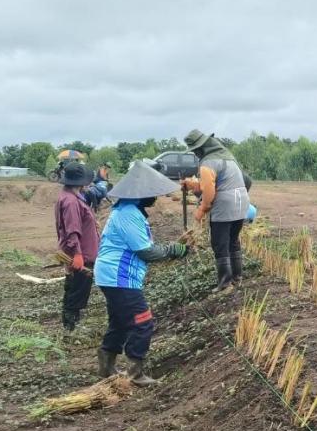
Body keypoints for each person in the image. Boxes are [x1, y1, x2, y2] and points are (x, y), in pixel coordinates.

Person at [93, 160, 191, 385]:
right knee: (143, 321)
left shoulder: (129, 210)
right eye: (152, 193)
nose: (155, 198)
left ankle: (106, 367)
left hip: (113, 275)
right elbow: (146, 251)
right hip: (119, 276)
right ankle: (135, 373)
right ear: (140, 193)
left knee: (120, 321)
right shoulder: (128, 214)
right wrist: (173, 250)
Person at [181, 129, 252, 291]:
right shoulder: (227, 156)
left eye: (195, 150)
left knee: (220, 243)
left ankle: (225, 283)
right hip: (241, 202)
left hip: (225, 205)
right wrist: (193, 185)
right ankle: (237, 277)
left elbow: (209, 192)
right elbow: (217, 182)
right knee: (233, 240)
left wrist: (201, 210)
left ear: (201, 148)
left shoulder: (207, 163)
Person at [54, 160, 100, 338]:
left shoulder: (68, 196)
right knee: (78, 289)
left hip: (77, 251)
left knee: (74, 286)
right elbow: (72, 231)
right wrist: (78, 254)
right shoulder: (71, 201)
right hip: (80, 253)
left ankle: (70, 323)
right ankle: (70, 327)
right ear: (80, 181)